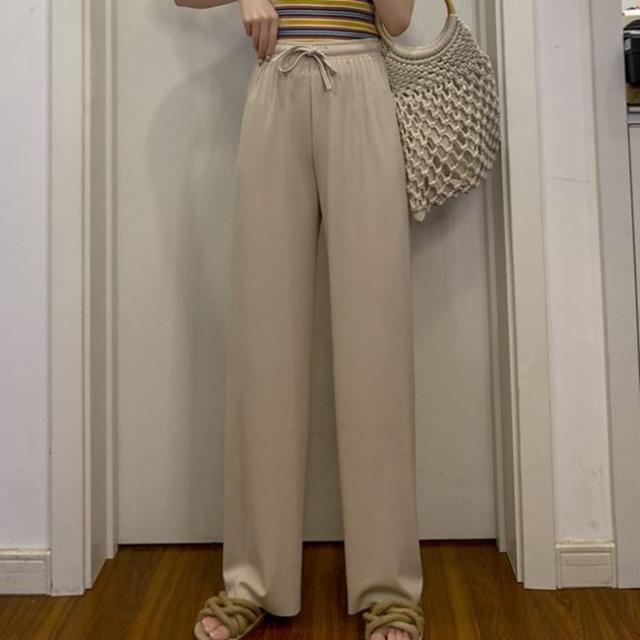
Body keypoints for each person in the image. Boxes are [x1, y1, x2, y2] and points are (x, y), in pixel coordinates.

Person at [174, 1, 425, 639]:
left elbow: (398, 19)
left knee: (376, 344)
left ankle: (390, 588)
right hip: (278, 80)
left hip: (362, 82)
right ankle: (253, 580)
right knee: (265, 345)